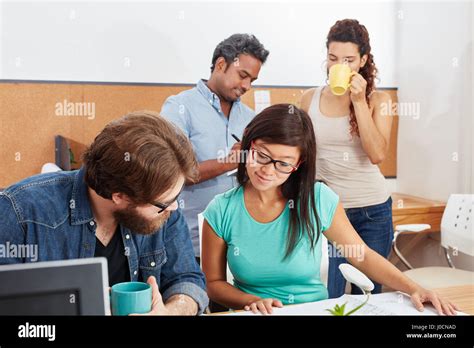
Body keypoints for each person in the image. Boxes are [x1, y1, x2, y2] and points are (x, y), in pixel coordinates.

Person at [201, 104, 458, 316]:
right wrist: (250, 301)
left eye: (283, 164)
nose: (268, 170)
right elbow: (213, 284)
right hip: (254, 313)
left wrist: (414, 288)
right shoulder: (221, 209)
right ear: (248, 145)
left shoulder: (317, 199)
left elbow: (362, 256)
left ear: (298, 164)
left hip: (313, 311)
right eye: (261, 156)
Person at [0, 111, 209, 315]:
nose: (173, 208)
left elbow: (187, 280)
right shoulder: (20, 211)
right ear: (119, 196)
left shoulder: (165, 210)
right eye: (163, 204)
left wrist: (171, 312)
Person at [301, 19, 395, 297]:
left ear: (363, 60)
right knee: (331, 292)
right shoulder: (309, 99)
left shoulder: (379, 100)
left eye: (348, 59)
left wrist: (358, 102)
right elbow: (301, 154)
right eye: (332, 58)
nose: (338, 65)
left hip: (372, 209)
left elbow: (377, 154)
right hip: (328, 212)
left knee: (369, 293)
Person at [160, 33, 269, 261]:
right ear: (221, 64)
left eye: (252, 80)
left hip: (239, 244)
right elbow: (171, 173)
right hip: (190, 244)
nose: (247, 86)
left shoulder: (250, 118)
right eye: (243, 75)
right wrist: (231, 161)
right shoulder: (180, 108)